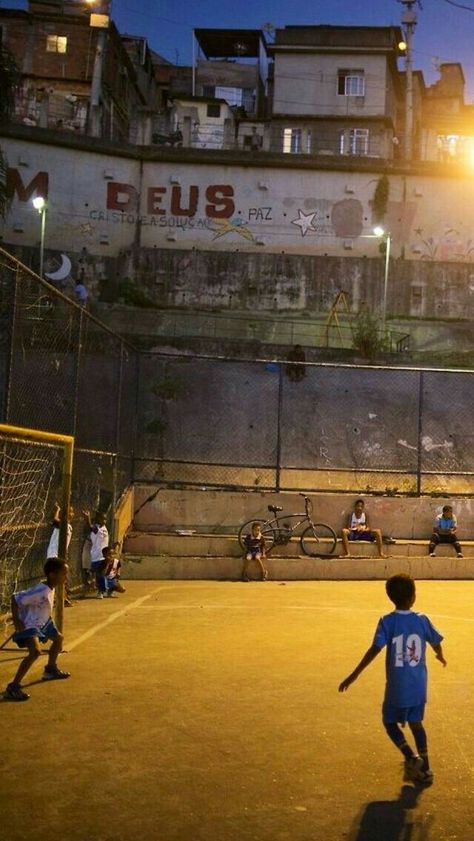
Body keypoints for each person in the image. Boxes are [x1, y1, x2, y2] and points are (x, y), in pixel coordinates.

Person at [339, 573, 446, 784]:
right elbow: (435, 641)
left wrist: (354, 674)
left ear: (390, 597)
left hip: (397, 686)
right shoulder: (422, 620)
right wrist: (440, 654)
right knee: (417, 724)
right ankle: (426, 767)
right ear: (413, 597)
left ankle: (411, 757)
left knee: (389, 722)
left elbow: (375, 649)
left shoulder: (387, 621)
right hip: (418, 686)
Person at [4, 558, 71, 701]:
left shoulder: (50, 588)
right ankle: (13, 686)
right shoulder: (40, 591)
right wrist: (17, 621)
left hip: (44, 622)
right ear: (53, 575)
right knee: (35, 652)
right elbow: (15, 598)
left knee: (58, 639)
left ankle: (50, 669)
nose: (66, 577)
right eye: (64, 574)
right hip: (30, 625)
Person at [46, 501, 74, 606]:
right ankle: (61, 598)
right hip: (54, 555)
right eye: (69, 512)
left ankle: (62, 597)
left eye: (72, 512)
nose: (72, 514)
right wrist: (58, 510)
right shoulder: (62, 524)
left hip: (59, 555)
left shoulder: (68, 526)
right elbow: (54, 520)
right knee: (58, 577)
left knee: (62, 577)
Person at [83, 509, 109, 598]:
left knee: (100, 573)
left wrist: (88, 518)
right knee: (94, 573)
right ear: (98, 519)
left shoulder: (103, 530)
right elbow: (91, 529)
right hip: (95, 555)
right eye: (102, 519)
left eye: (105, 519)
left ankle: (102, 591)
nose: (104, 521)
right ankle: (104, 588)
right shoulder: (97, 526)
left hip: (102, 557)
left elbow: (92, 528)